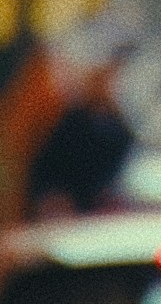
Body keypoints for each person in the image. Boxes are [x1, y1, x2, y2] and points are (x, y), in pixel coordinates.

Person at [23, 46, 135, 217]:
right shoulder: (72, 120)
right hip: (60, 207)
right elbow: (45, 167)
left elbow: (113, 177)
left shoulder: (121, 129)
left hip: (93, 212)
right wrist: (52, 197)